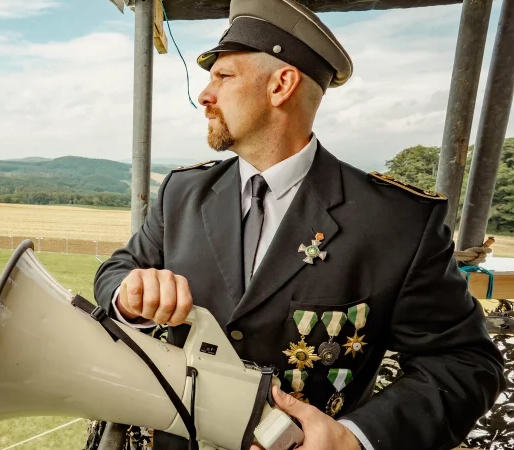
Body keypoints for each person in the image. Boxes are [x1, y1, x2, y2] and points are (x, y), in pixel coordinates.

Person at [92, 1, 506, 450]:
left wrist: (354, 439)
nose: (204, 94)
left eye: (223, 77)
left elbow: (465, 363)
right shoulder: (182, 193)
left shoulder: (398, 221)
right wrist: (128, 292)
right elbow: (118, 270)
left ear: (281, 84)